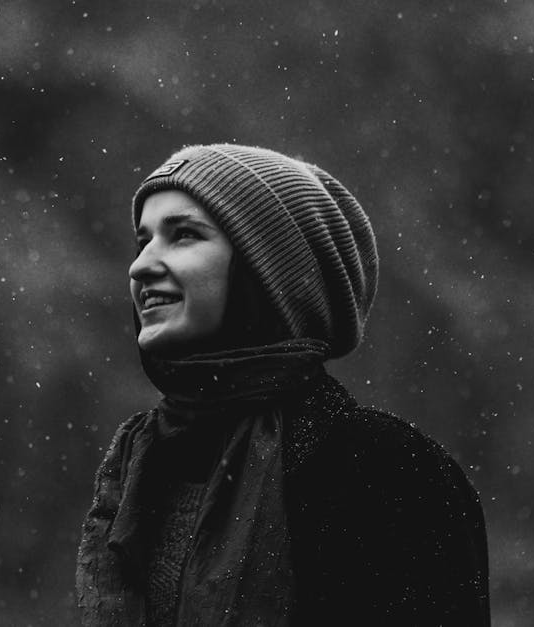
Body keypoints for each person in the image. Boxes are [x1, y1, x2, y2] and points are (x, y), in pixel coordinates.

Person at [76, 144, 490, 625]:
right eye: (142, 241)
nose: (141, 265)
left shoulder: (385, 467)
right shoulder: (141, 461)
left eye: (183, 235)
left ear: (268, 269)